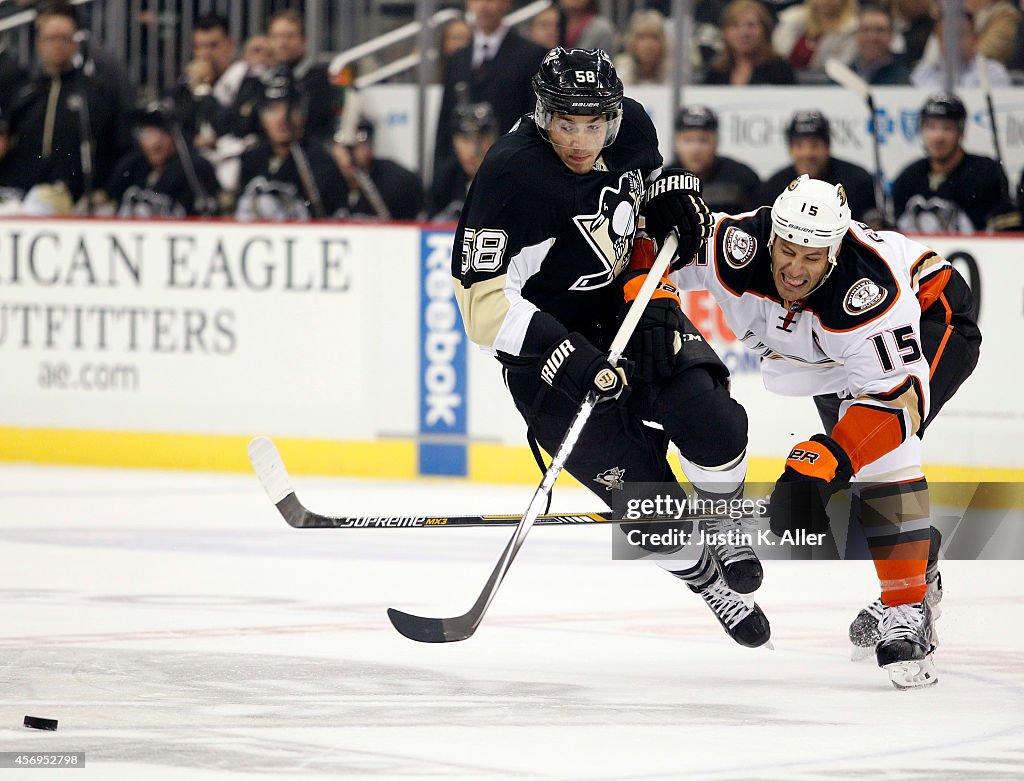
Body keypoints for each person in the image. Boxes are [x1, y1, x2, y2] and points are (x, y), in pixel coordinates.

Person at [452, 47, 771, 648]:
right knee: (651, 507)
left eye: (593, 124)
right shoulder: (508, 176)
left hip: (633, 308)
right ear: (542, 115)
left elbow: (648, 204)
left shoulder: (636, 127)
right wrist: (563, 350)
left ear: (613, 119)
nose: (579, 139)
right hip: (545, 351)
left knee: (715, 422)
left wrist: (678, 206)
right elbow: (480, 306)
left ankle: (725, 518)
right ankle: (707, 582)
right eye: (565, 124)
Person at [661, 174, 981, 688]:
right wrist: (655, 225)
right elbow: (663, 250)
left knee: (878, 457)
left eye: (812, 257)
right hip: (829, 350)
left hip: (929, 318)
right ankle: (918, 562)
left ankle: (908, 607)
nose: (794, 267)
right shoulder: (733, 248)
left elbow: (895, 404)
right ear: (771, 237)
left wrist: (827, 458)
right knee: (853, 467)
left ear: (833, 251)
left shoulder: (869, 293)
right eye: (787, 250)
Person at [0, 1, 129, 209]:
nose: (58, 45)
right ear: (39, 42)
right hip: (16, 196)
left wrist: (105, 191)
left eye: (65, 38)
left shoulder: (96, 92)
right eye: (51, 39)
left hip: (77, 199)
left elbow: (119, 144)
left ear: (76, 42)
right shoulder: (22, 89)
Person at [434, 0, 547, 171]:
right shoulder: (457, 59)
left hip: (513, 169)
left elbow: (536, 119)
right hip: (461, 174)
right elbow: (445, 122)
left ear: (508, 3)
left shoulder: (532, 56)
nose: (484, 5)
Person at [892, 92, 1019, 233]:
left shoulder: (985, 174)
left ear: (961, 132)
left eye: (947, 128)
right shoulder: (909, 177)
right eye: (931, 127)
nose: (938, 137)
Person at [171, 13, 264, 193]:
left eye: (213, 46)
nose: (205, 54)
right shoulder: (187, 84)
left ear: (230, 44)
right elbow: (178, 127)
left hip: (237, 172)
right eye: (199, 47)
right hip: (197, 172)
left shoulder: (249, 79)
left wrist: (203, 91)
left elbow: (237, 126)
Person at [235, 75, 343, 221]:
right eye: (273, 109)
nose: (282, 118)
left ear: (303, 114)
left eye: (291, 109)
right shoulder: (252, 158)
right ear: (261, 116)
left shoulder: (318, 160)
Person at [100, 102, 220, 217]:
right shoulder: (133, 164)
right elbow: (107, 195)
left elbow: (207, 211)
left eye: (161, 135)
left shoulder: (193, 168)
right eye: (145, 134)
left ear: (174, 137)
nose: (153, 144)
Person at [763, 110, 876, 223]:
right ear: (790, 149)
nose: (807, 153)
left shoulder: (858, 181)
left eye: (815, 145)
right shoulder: (775, 186)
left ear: (827, 147)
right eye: (799, 145)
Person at [668, 105, 762, 214]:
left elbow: (759, 224)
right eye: (688, 140)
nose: (695, 149)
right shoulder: (663, 181)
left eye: (703, 140)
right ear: (676, 143)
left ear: (716, 142)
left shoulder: (743, 178)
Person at [267, 9, 338, 147]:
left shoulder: (319, 78)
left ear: (303, 40)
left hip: (310, 151)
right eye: (276, 37)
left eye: (289, 36)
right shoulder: (266, 78)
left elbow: (313, 119)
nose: (282, 43)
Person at [331, 117, 424, 221]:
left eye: (358, 146)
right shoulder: (326, 180)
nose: (350, 156)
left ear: (371, 148)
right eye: (343, 147)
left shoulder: (398, 183)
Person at [430, 101, 499, 221]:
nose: (473, 151)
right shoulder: (445, 181)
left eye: (481, 139)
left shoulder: (507, 176)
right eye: (466, 140)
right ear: (454, 142)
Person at [703, 0, 796, 85]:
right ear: (724, 32)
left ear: (765, 30)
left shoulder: (780, 71)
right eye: (735, 25)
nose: (744, 33)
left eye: (751, 25)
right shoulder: (716, 73)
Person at [911, 10, 1012, 88]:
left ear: (975, 38)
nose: (954, 42)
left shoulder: (992, 72)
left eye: (960, 35)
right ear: (938, 40)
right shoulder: (922, 74)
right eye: (946, 36)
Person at [772, 0, 859, 80]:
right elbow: (777, 50)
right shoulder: (792, 19)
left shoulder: (851, 29)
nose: (827, 1)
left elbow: (843, 63)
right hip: (786, 78)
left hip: (828, 82)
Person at [844, 4, 912, 85]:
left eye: (880, 30)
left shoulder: (902, 80)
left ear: (891, 36)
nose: (872, 37)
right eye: (865, 30)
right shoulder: (843, 74)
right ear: (856, 35)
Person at [614, 9, 671, 86]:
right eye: (642, 37)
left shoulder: (674, 77)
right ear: (632, 42)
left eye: (654, 37)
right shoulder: (620, 77)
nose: (648, 45)